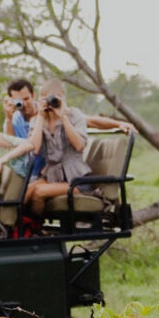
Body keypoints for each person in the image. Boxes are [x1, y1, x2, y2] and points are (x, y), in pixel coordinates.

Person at [2, 78, 136, 178]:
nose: (24, 104)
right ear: (11, 100)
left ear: (33, 96)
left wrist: (118, 124)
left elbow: (89, 120)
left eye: (26, 99)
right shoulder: (15, 119)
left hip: (51, 169)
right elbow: (10, 144)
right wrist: (8, 119)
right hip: (28, 170)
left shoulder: (50, 108)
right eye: (18, 101)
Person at [24, 80, 94, 217]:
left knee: (39, 192)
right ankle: (18, 229)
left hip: (77, 179)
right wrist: (40, 116)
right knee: (27, 190)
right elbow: (35, 149)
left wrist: (62, 117)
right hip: (52, 176)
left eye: (56, 97)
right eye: (49, 98)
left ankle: (35, 230)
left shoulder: (74, 115)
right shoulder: (38, 120)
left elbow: (79, 146)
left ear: (64, 98)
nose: (53, 102)